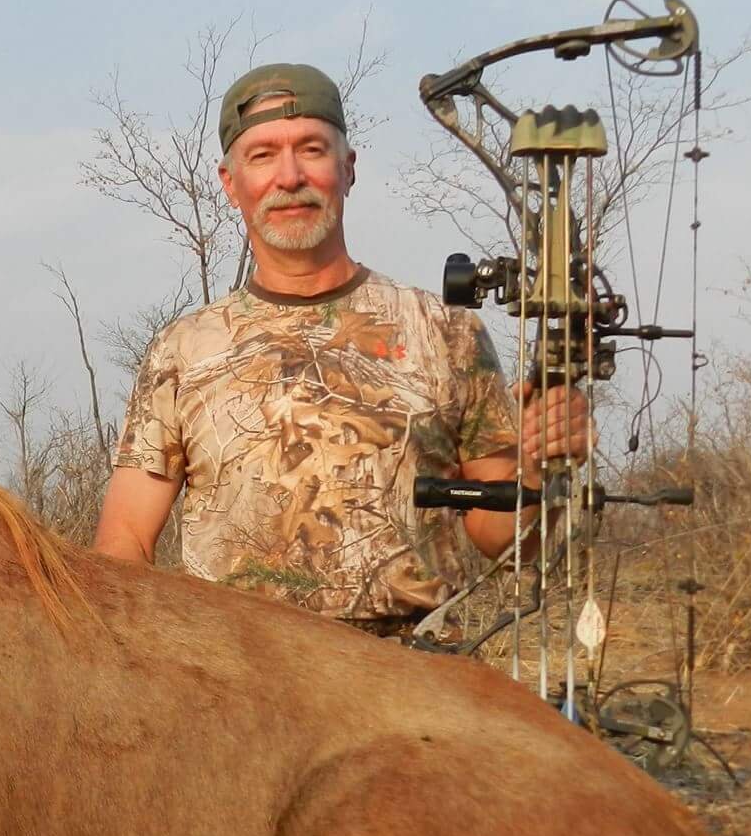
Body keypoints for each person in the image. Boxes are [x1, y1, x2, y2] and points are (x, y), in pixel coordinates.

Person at [91, 62, 592, 635]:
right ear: (230, 183)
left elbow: (504, 539)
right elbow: (123, 543)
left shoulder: (444, 330)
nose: (289, 177)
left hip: (412, 676)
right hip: (233, 678)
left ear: (347, 169)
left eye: (311, 149)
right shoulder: (182, 348)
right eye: (262, 155)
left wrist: (537, 466)